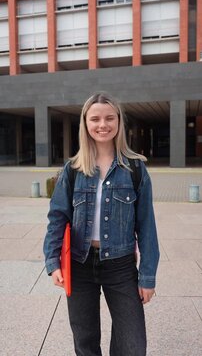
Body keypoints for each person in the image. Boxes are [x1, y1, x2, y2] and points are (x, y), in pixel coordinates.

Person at [43, 91, 160, 356]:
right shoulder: (73, 169)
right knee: (85, 341)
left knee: (132, 345)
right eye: (95, 119)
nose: (102, 124)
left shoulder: (135, 168)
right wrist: (52, 263)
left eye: (109, 118)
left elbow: (147, 226)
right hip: (79, 264)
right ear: (85, 123)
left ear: (119, 122)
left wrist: (148, 276)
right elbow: (57, 218)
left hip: (120, 266)